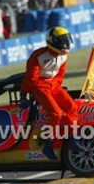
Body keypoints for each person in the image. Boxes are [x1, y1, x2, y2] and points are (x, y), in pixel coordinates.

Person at [20, 27, 78, 160]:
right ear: (53, 41)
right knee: (56, 114)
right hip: (40, 87)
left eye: (67, 41)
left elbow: (61, 74)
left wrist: (56, 86)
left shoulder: (63, 55)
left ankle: (72, 138)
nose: (66, 45)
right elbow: (31, 78)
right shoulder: (38, 56)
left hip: (55, 85)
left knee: (72, 107)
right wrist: (24, 94)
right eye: (63, 42)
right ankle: (48, 143)